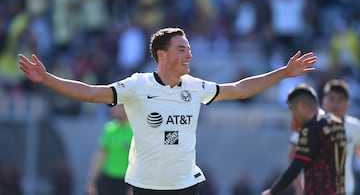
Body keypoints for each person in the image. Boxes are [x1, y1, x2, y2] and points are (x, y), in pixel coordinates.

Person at [18, 27, 317, 195]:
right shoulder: (137, 85)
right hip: (146, 187)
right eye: (182, 49)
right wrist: (47, 78)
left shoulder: (195, 86)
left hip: (186, 186)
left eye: (188, 48)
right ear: (162, 55)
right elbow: (90, 93)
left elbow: (239, 89)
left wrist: (283, 72)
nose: (189, 54)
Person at [262, 84, 346, 195]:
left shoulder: (312, 127)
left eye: (292, 109)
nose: (293, 116)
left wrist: (272, 191)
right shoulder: (337, 123)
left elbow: (296, 164)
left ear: (301, 106)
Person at [286, 79, 360, 195]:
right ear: (323, 101)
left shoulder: (355, 127)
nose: (335, 104)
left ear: (347, 103)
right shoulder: (311, 125)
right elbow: (292, 158)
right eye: (331, 99)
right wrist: (299, 188)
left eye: (340, 99)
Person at [86, 104, 133, 195]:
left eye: (119, 106)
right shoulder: (109, 129)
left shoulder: (134, 130)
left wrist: (133, 186)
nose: (114, 108)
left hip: (127, 180)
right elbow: (100, 155)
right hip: (108, 178)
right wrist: (92, 181)